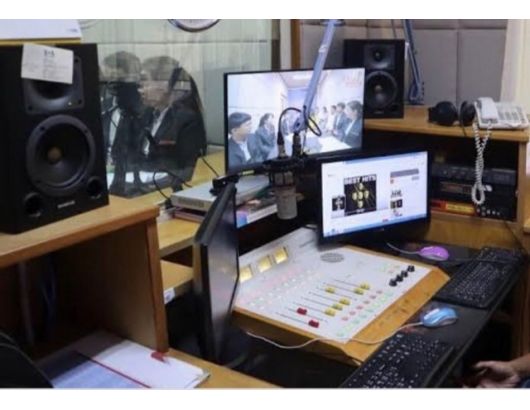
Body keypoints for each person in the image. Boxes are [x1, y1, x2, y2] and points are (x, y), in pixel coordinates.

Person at [139, 56, 207, 191]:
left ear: (165, 85)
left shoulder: (186, 120)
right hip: (142, 183)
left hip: (163, 189)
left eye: (145, 82)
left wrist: (151, 184)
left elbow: (187, 171)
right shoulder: (147, 114)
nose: (140, 89)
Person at [100, 51, 145, 197]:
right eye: (107, 80)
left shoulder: (146, 111)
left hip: (135, 180)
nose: (110, 87)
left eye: (117, 81)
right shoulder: (103, 107)